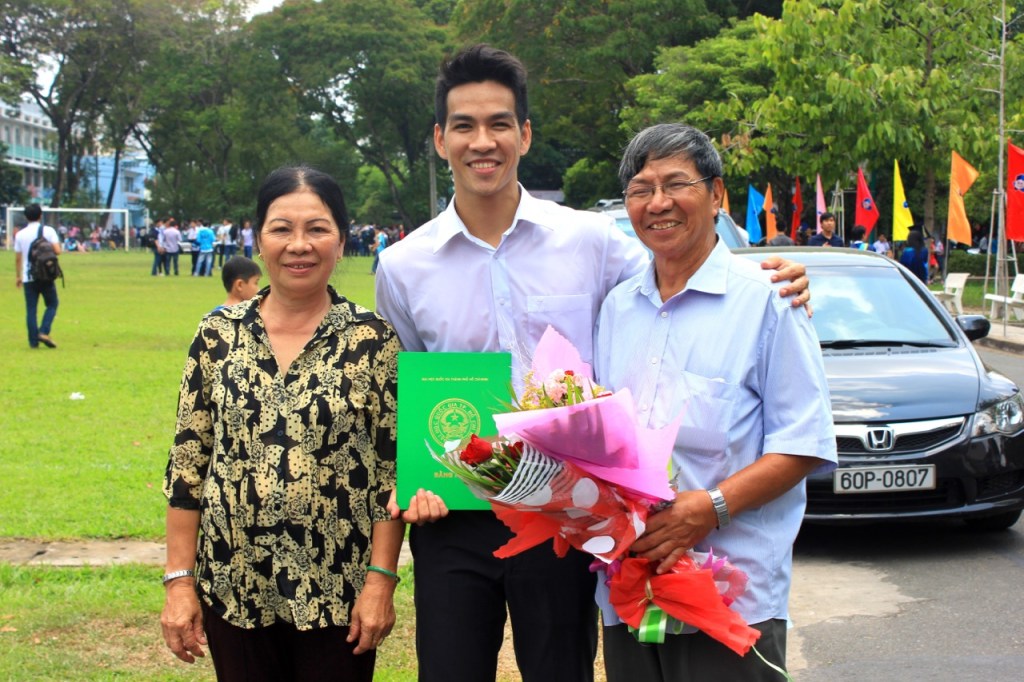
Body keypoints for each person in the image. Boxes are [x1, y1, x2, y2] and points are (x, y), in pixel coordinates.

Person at [374, 44, 810, 682]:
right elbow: (410, 380)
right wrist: (417, 475)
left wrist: (768, 276)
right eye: (464, 126)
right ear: (440, 140)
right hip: (457, 513)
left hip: (568, 510)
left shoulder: (591, 240)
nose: (482, 141)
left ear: (524, 134)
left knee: (562, 671)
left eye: (499, 123)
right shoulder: (404, 265)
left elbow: (679, 273)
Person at [595, 123, 836, 681]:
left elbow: (805, 442)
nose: (658, 203)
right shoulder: (617, 308)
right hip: (629, 583)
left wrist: (709, 508)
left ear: (717, 194)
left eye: (676, 183)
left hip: (731, 593)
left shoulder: (768, 301)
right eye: (640, 189)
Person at [161, 165, 403, 682]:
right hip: (234, 583)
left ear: (341, 240)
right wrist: (180, 582)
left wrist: (381, 581)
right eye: (281, 229)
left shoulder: (372, 338)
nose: (300, 245)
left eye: (317, 229)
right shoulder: (217, 334)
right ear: (257, 238)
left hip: (338, 590)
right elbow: (187, 464)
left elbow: (390, 472)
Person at [14, 203, 61, 349]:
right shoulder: (48, 230)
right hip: (45, 275)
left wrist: (18, 276)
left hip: (29, 276)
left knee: (31, 309)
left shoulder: (20, 234)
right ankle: (44, 331)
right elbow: (57, 251)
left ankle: (33, 342)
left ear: (26, 217)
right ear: (40, 215)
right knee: (52, 304)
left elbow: (18, 258)